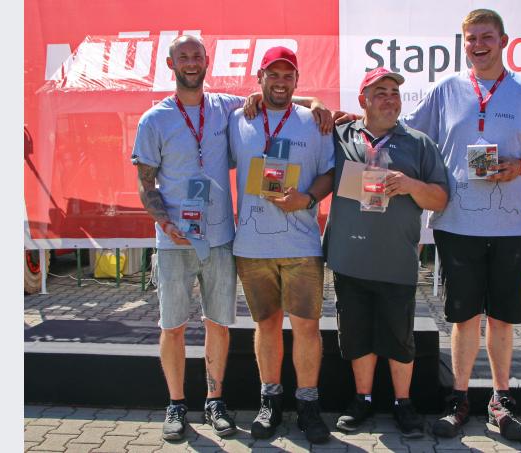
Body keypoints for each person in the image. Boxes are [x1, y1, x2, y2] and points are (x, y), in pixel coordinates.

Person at [131, 35, 331, 441]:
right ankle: (176, 405)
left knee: (219, 324)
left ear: (206, 62)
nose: (191, 62)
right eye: (183, 57)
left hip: (223, 239)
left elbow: (281, 94)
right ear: (172, 63)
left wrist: (316, 103)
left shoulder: (226, 108)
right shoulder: (156, 119)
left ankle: (217, 402)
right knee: (172, 325)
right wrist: (165, 222)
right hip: (179, 241)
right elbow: (144, 180)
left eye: (196, 56)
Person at [399, 9, 521, 441]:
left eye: (486, 37)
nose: (478, 44)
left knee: (502, 319)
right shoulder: (447, 89)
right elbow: (407, 133)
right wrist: (353, 120)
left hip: (513, 227)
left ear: (503, 41)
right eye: (471, 38)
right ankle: (459, 399)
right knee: (463, 317)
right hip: (458, 224)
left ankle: (501, 400)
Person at [325, 68, 449, 438]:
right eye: (380, 92)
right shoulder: (339, 134)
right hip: (349, 258)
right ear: (363, 99)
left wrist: (411, 185)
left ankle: (402, 403)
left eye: (394, 92)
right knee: (357, 334)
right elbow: (298, 108)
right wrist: (317, 104)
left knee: (399, 337)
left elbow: (441, 198)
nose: (390, 98)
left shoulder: (419, 143)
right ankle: (362, 400)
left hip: (397, 261)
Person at [228, 46, 335, 444]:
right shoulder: (238, 118)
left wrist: (306, 199)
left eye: (287, 75)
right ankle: (270, 401)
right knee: (267, 324)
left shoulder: (313, 120)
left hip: (302, 243)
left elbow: (330, 173)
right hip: (252, 245)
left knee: (307, 327)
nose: (280, 82)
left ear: (296, 80)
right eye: (273, 75)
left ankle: (308, 405)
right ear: (259, 77)